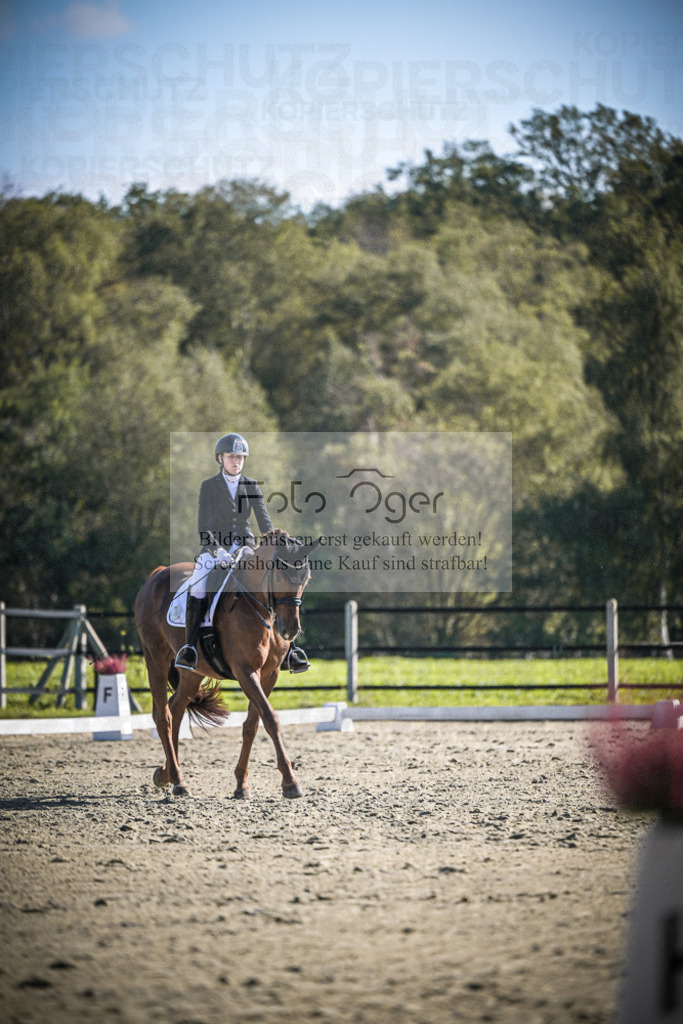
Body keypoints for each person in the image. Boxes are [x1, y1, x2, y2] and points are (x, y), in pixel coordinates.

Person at [175, 433, 310, 674]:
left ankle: (290, 650)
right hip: (215, 548)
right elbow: (203, 526)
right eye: (231, 457)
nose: (236, 461)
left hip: (246, 547)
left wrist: (274, 541)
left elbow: (263, 520)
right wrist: (217, 550)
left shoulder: (251, 485)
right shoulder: (209, 486)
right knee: (197, 586)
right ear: (220, 458)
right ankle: (189, 648)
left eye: (240, 457)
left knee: (273, 582)